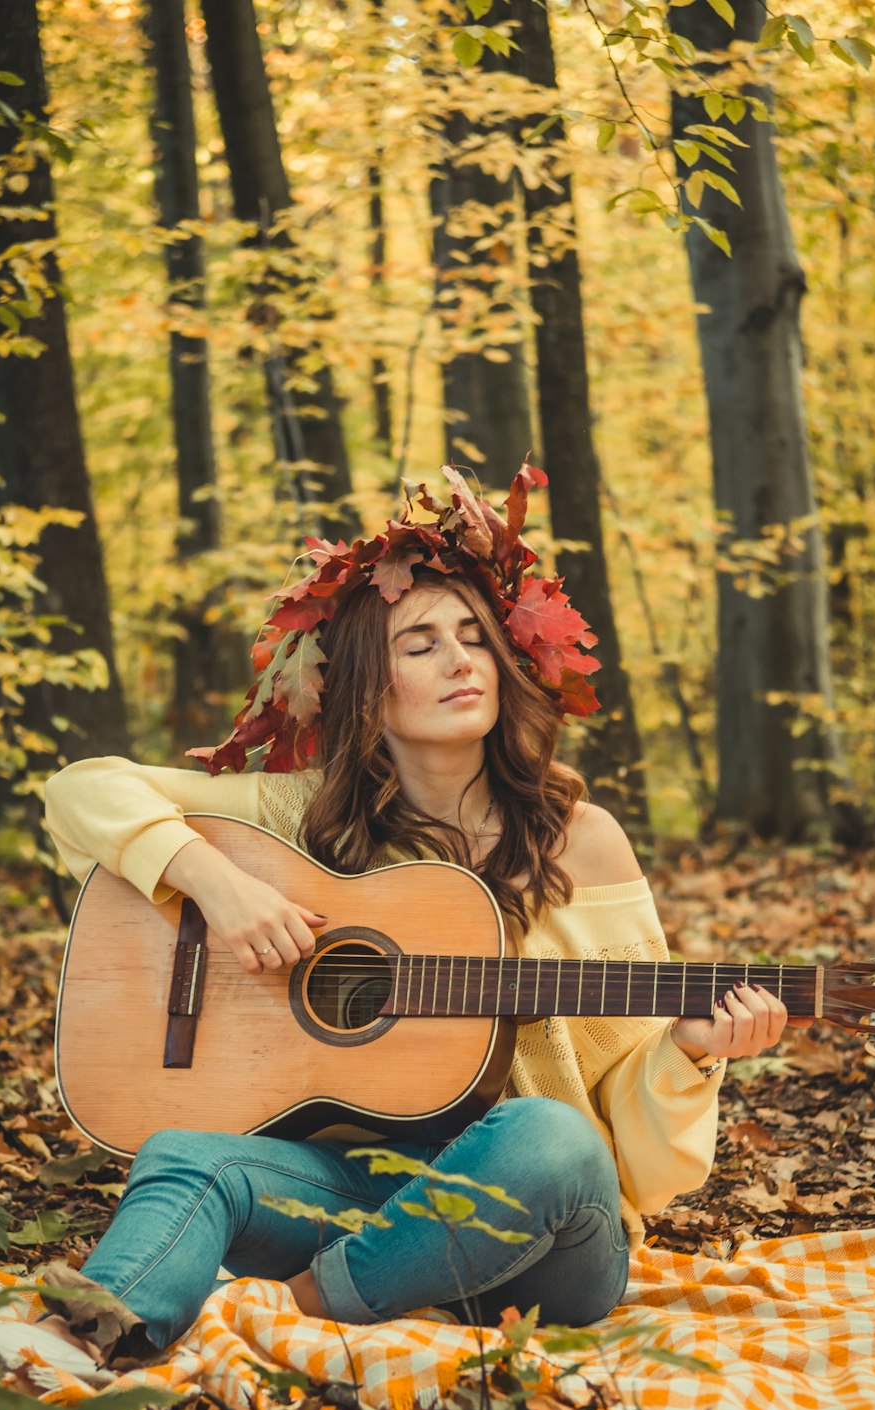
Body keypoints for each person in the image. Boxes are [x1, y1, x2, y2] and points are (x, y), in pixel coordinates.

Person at [42, 463, 793, 1362]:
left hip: (547, 1238)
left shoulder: (581, 841)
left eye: (475, 636)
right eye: (421, 642)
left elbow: (640, 1166)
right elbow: (80, 792)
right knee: (186, 1156)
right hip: (365, 1201)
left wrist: (686, 1055)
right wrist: (216, 882)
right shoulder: (305, 817)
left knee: (545, 1133)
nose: (460, 659)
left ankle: (292, 1310)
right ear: (368, 682)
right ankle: (74, 1340)